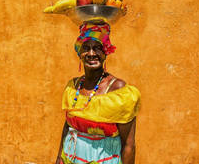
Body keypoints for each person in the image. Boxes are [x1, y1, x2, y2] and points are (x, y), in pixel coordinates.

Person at [55, 22, 140, 164]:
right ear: (79, 53)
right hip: (70, 158)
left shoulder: (119, 91)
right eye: (86, 48)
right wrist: (59, 158)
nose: (91, 53)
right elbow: (68, 126)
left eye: (97, 48)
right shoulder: (73, 87)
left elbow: (128, 145)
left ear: (105, 52)